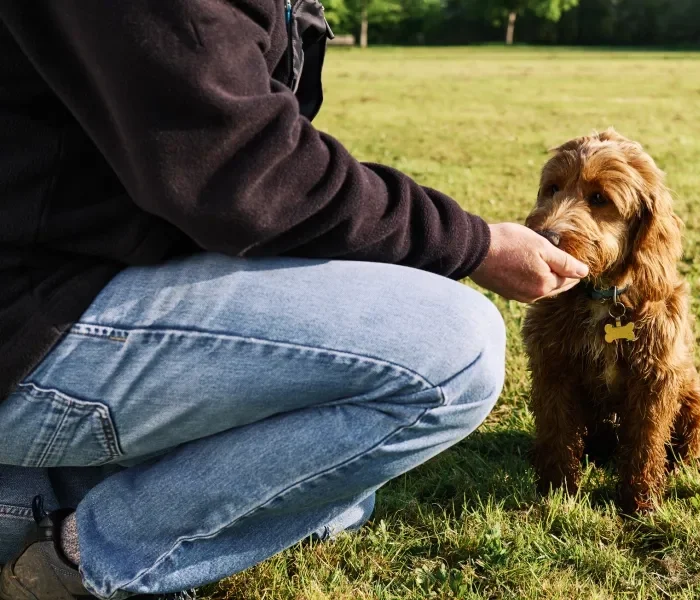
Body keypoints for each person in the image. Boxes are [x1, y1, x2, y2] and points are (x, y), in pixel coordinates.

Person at [0, 2, 588, 599]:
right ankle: (88, 553)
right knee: (453, 351)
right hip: (33, 318)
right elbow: (242, 171)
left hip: (85, 273)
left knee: (343, 490)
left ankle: (32, 498)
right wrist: (475, 244)